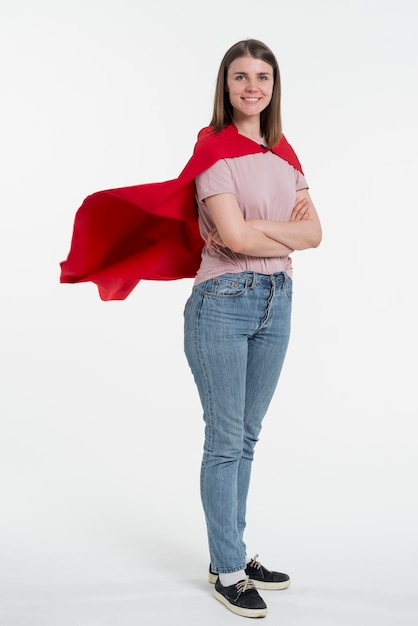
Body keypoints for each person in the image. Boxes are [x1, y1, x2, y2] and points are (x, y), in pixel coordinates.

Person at [183, 39, 322, 618]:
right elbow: (234, 242)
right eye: (240, 76)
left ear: (273, 86)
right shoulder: (213, 149)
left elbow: (315, 234)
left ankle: (230, 551)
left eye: (262, 76)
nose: (251, 86)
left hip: (277, 300)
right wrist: (277, 230)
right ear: (226, 85)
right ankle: (229, 569)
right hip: (223, 298)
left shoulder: (285, 152)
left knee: (248, 437)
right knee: (225, 440)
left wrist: (257, 227)